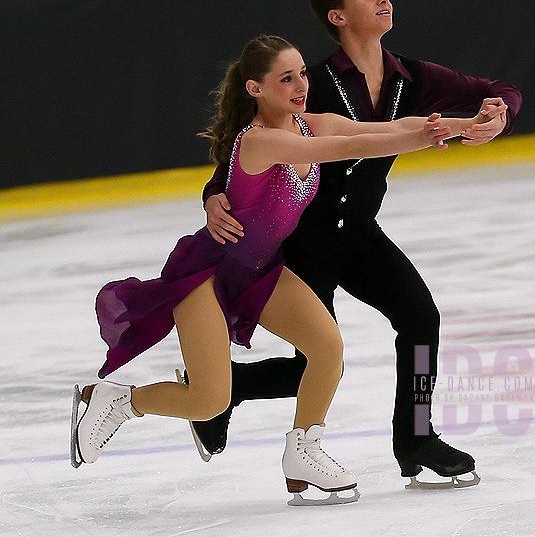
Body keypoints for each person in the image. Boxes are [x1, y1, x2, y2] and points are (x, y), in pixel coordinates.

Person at [71, 34, 503, 503]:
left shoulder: (307, 125)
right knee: (209, 400)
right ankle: (117, 400)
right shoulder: (260, 141)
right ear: (255, 88)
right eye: (286, 79)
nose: (300, 85)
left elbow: (380, 128)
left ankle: (303, 452)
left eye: (301, 74)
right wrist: (426, 137)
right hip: (210, 275)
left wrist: (465, 125)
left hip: (261, 272)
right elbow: (355, 147)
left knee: (327, 348)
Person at [198, 0, 522, 488]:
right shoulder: (312, 83)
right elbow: (244, 154)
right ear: (338, 16)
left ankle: (415, 437)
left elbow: (498, 90)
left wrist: (497, 116)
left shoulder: (411, 77)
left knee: (421, 319)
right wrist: (213, 195)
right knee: (316, 363)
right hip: (304, 245)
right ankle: (222, 389)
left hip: (360, 234)